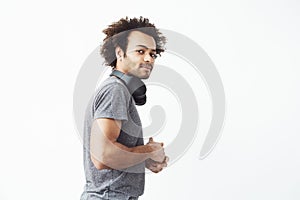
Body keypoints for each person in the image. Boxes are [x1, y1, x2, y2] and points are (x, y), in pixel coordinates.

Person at [80, 17, 168, 200]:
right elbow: (103, 156)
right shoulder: (115, 90)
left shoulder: (118, 90)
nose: (148, 59)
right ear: (120, 53)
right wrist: (149, 150)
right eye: (140, 51)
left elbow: (114, 156)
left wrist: (146, 159)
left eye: (152, 54)